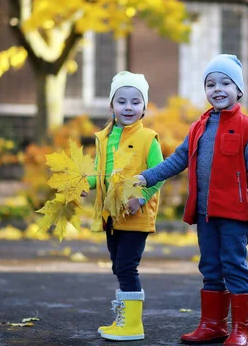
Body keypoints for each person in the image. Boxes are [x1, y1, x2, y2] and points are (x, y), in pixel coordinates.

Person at [136, 54, 248, 346]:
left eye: (225, 82)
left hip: (234, 214)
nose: (217, 89)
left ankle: (240, 330)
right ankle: (213, 325)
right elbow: (179, 159)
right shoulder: (198, 127)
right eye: (211, 84)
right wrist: (149, 176)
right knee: (209, 266)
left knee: (233, 265)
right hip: (206, 214)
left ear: (239, 90)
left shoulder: (247, 127)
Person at [84, 71, 164, 341]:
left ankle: (133, 326)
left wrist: (141, 197)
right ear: (112, 105)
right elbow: (99, 173)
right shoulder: (104, 138)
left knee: (128, 266)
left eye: (135, 102)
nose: (128, 107)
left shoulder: (148, 139)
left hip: (136, 214)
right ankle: (125, 318)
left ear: (144, 107)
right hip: (111, 216)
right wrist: (84, 184)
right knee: (118, 266)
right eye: (122, 101)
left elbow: (159, 174)